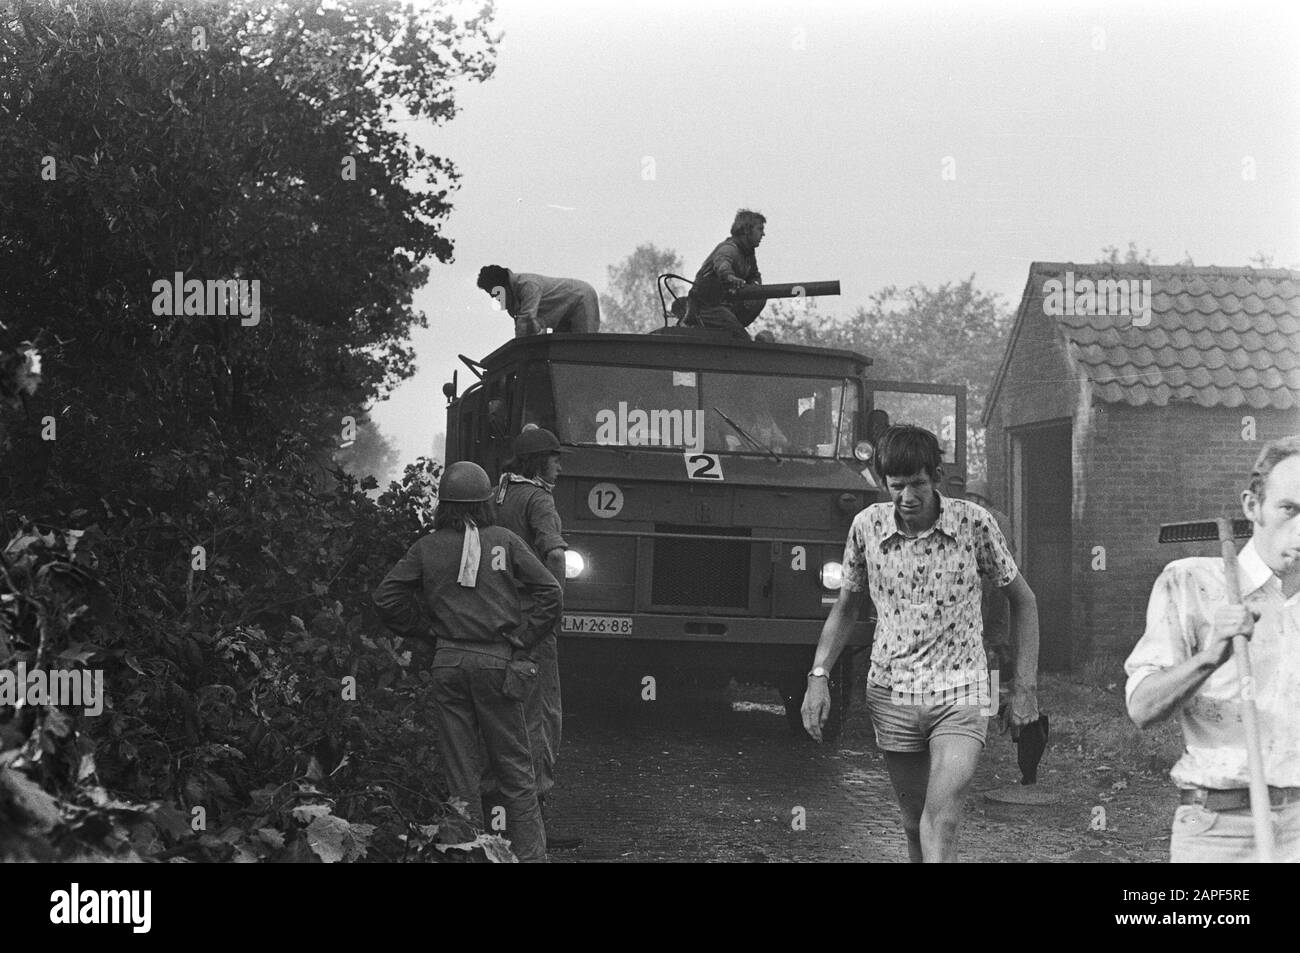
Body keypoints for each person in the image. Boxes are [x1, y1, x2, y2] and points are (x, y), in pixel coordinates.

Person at [802, 424, 1041, 862]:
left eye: (917, 485)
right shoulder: (867, 529)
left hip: (964, 691)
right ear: (882, 483)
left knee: (942, 817)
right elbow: (846, 608)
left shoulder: (975, 525)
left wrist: (1025, 688)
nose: (907, 497)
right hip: (892, 693)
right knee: (915, 823)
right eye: (896, 486)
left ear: (937, 478)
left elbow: (1024, 601)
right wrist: (818, 676)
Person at [371, 461, 562, 863]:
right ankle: (529, 859)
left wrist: (426, 632)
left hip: (448, 664)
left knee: (460, 778)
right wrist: (525, 639)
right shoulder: (506, 540)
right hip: (497, 664)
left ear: (444, 504)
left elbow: (386, 596)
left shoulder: (426, 547)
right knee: (516, 773)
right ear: (486, 502)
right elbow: (550, 591)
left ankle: (465, 855)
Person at [1124, 436, 1300, 862]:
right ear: (1251, 507)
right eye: (1290, 509)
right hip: (1218, 831)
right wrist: (1210, 657)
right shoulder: (1192, 583)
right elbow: (1142, 708)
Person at [485, 425, 581, 849]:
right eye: (555, 458)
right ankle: (535, 828)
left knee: (501, 716)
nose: (559, 465)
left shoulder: (495, 494)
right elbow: (556, 553)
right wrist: (555, 603)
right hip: (532, 624)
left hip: (494, 620)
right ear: (540, 460)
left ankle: (496, 823)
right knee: (541, 719)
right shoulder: (539, 498)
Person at [685, 209, 768, 340]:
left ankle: (734, 327)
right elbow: (722, 264)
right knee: (741, 339)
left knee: (760, 297)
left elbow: (754, 275)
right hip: (706, 306)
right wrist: (730, 277)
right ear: (747, 230)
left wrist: (754, 287)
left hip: (725, 304)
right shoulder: (729, 249)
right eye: (760, 229)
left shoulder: (748, 254)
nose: (763, 234)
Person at [476, 265, 600, 337]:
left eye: (495, 293)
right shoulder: (515, 300)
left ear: (504, 286)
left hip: (581, 297)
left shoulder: (528, 285)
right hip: (563, 313)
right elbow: (531, 328)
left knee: (584, 346)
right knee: (564, 353)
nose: (495, 298)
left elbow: (527, 319)